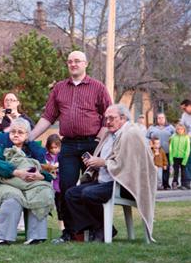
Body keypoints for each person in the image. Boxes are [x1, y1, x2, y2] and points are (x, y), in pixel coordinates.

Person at [28, 50, 112, 243]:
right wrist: (30, 136)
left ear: (85, 64)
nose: (73, 64)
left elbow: (108, 116)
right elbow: (48, 116)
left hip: (92, 144)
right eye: (70, 62)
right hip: (69, 145)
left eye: (77, 61)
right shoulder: (59, 88)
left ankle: (100, 229)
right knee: (64, 189)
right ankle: (69, 232)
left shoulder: (97, 87)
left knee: (92, 189)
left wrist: (99, 142)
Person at [65, 104, 157, 242]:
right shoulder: (109, 135)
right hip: (106, 180)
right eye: (106, 118)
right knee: (71, 194)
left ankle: (100, 230)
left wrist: (103, 163)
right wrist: (94, 164)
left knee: (88, 193)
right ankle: (100, 228)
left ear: (123, 118)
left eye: (111, 118)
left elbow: (129, 166)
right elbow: (107, 159)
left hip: (125, 183)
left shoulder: (131, 134)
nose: (107, 122)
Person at [0, 118, 55, 246]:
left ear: (27, 135)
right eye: (13, 131)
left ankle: (37, 237)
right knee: (12, 198)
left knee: (42, 192)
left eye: (20, 132)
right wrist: (16, 172)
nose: (16, 134)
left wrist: (40, 176)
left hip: (28, 184)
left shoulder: (33, 148)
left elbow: (46, 170)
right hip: (2, 181)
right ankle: (4, 238)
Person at [145, 113, 175, 190]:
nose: (161, 119)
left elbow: (175, 137)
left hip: (166, 151)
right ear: (156, 119)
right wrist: (150, 144)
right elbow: (146, 138)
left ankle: (165, 184)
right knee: (155, 168)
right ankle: (155, 185)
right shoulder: (152, 128)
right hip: (155, 152)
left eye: (162, 118)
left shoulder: (170, 127)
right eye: (159, 118)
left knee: (166, 168)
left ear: (165, 119)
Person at [44, 134, 63, 230]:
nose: (54, 150)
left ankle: (62, 227)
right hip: (48, 184)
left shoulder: (62, 155)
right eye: (52, 148)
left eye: (56, 147)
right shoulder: (45, 156)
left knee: (60, 206)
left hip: (58, 185)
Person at [169, 123, 190, 190]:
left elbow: (188, 149)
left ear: (184, 130)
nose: (180, 130)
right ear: (176, 130)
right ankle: (175, 183)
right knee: (176, 172)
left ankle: (184, 184)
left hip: (183, 158)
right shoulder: (173, 137)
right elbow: (170, 148)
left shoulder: (186, 137)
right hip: (175, 158)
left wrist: (185, 159)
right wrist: (171, 159)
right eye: (178, 129)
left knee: (184, 172)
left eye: (181, 129)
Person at [180, 99, 191, 190]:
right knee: (187, 161)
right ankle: (187, 181)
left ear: (189, 106)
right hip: (188, 141)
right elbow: (182, 126)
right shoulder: (184, 115)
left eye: (184, 108)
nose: (184, 110)